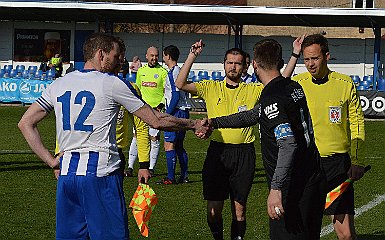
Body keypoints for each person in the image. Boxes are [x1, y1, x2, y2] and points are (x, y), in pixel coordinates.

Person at [18, 33, 210, 240]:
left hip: (67, 176)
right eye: (116, 55)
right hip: (100, 175)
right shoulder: (111, 83)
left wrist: (51, 161)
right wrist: (193, 124)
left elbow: (25, 123)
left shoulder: (61, 83)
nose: (120, 61)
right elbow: (156, 120)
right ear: (101, 54)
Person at [206, 38, 327, 239]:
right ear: (279, 61)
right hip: (313, 176)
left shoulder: (272, 96)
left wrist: (276, 188)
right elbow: (255, 114)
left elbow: (287, 143)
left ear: (254, 63)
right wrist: (215, 122)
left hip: (294, 186)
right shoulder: (292, 86)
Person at [175, 40, 264, 240]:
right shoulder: (210, 87)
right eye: (230, 62)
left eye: (238, 63)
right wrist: (192, 56)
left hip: (244, 153)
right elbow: (179, 84)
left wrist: (294, 55)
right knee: (213, 210)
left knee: (239, 210)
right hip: (218, 153)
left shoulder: (253, 89)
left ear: (245, 67)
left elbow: (280, 81)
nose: (233, 66)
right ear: (223, 64)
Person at [292, 34, 366, 240]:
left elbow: (357, 122)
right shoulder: (297, 84)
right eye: (306, 59)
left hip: (337, 166)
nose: (310, 64)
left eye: (314, 58)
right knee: (306, 228)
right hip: (306, 164)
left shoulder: (344, 83)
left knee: (346, 234)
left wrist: (357, 160)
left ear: (327, 56)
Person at [127, 46, 168, 176]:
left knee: (154, 139)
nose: (154, 58)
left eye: (156, 56)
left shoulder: (163, 72)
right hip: (141, 110)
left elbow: (166, 91)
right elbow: (137, 88)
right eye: (151, 55)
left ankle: (150, 167)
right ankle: (130, 167)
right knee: (136, 137)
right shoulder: (141, 71)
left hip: (156, 110)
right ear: (146, 56)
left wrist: (161, 104)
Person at [114, 38, 150, 178]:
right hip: (87, 154)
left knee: (114, 200)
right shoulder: (88, 84)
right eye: (117, 56)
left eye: (122, 57)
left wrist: (144, 165)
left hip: (115, 155)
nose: (121, 61)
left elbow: (141, 127)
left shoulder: (129, 89)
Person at [157, 45, 191, 185]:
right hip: (183, 111)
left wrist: (167, 114)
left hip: (176, 111)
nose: (163, 58)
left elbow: (175, 96)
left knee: (169, 144)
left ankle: (170, 178)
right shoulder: (180, 70)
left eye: (164, 55)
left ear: (168, 56)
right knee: (179, 145)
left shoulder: (172, 73)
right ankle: (184, 176)